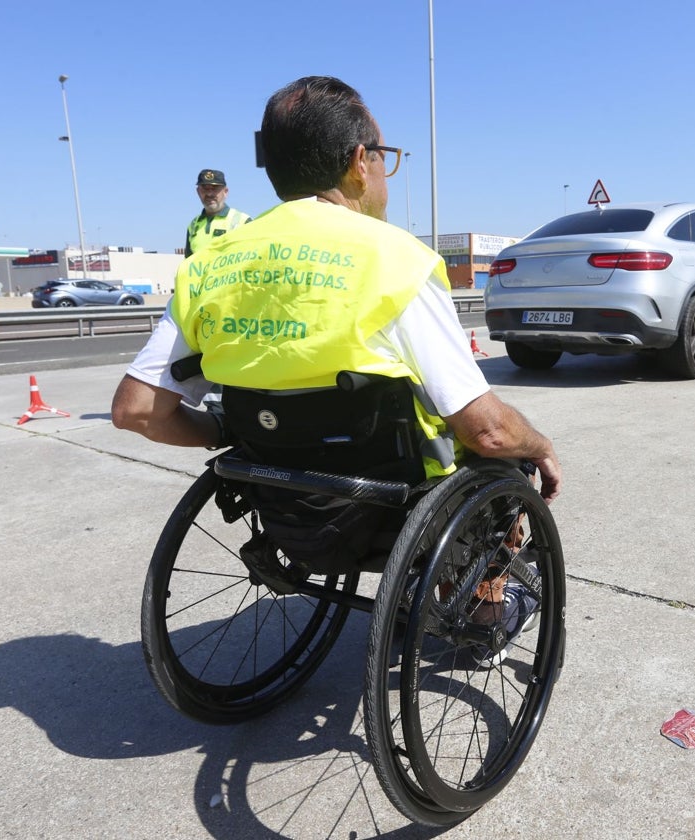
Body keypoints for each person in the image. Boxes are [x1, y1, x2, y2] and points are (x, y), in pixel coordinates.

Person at [112, 76, 560, 658]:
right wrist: (540, 444)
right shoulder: (393, 258)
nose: (383, 175)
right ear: (358, 162)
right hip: (394, 512)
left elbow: (136, 409)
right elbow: (486, 428)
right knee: (505, 456)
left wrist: (225, 432)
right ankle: (485, 616)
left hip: (284, 510)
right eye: (383, 158)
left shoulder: (211, 264)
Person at [184, 168, 251, 257]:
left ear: (225, 192)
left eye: (215, 189)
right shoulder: (193, 226)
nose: (209, 194)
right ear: (198, 192)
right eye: (205, 189)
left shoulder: (243, 221)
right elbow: (188, 262)